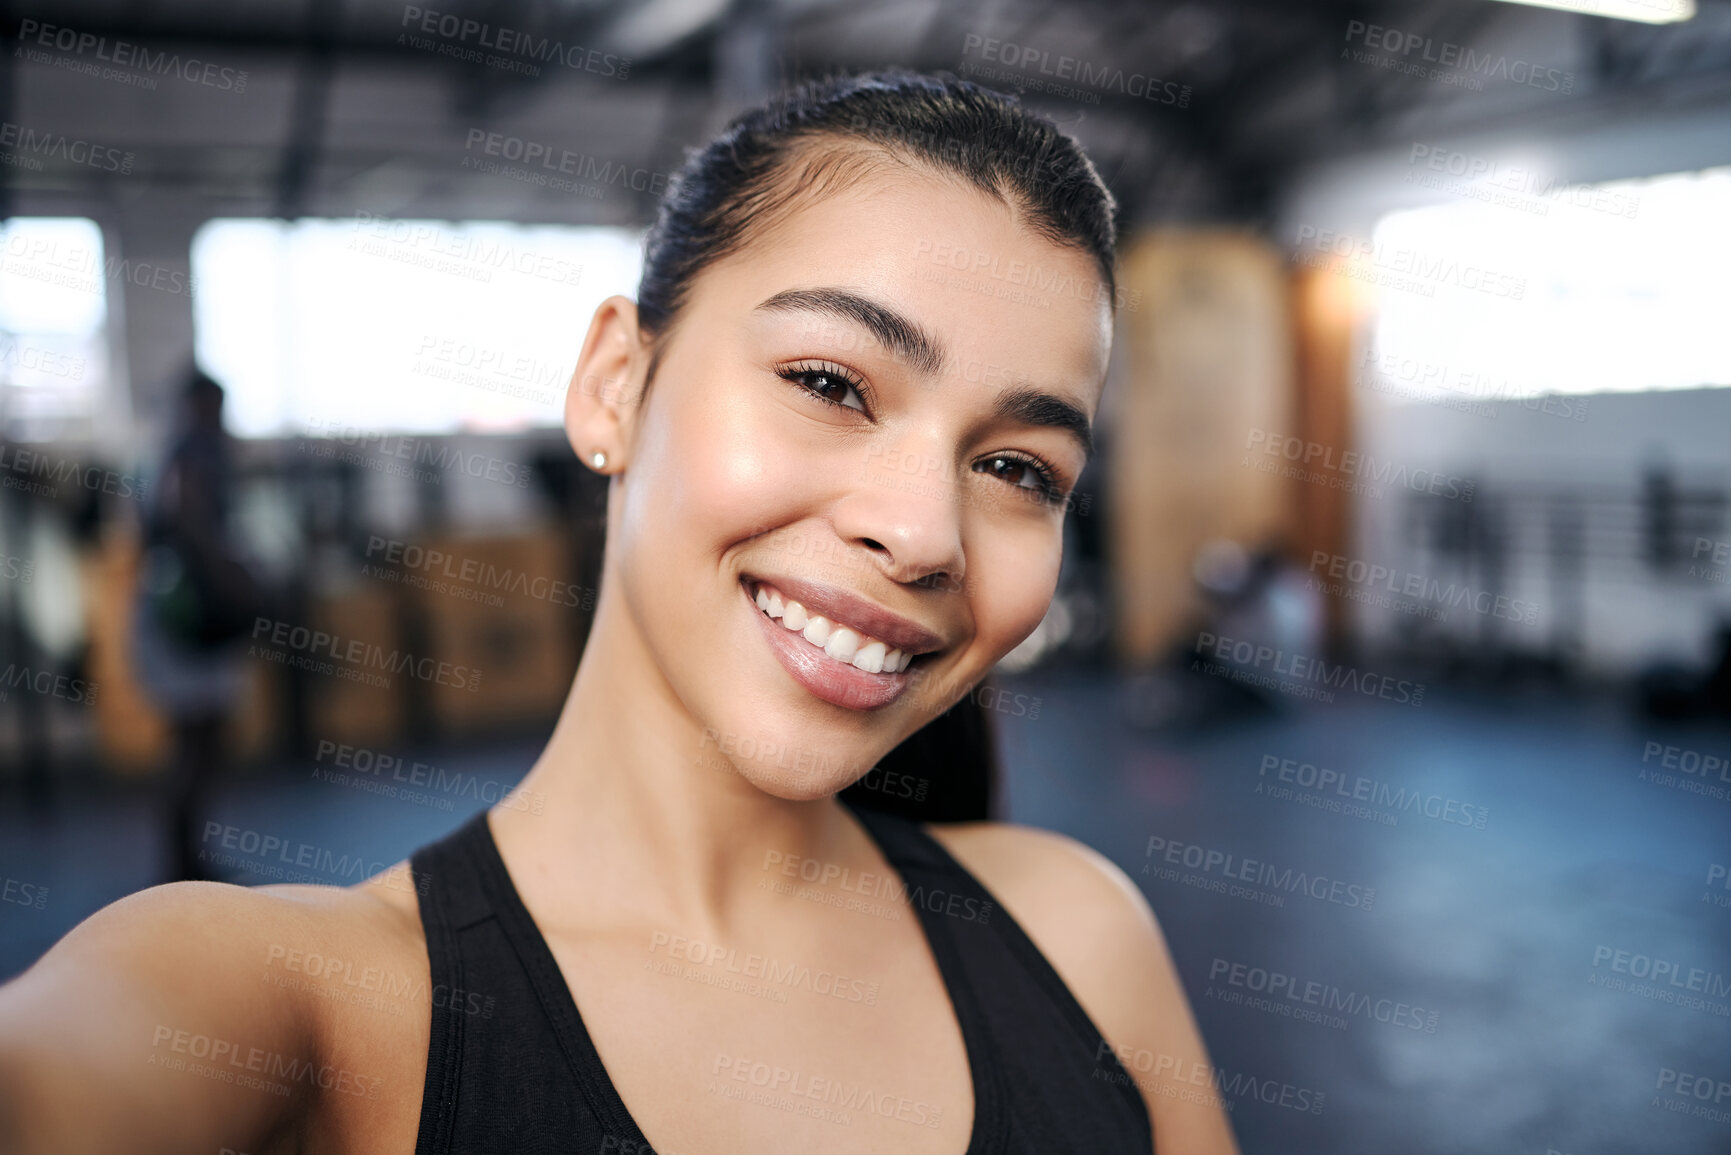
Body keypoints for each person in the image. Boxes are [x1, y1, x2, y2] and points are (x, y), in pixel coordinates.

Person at [0, 71, 1238, 1154]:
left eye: (1019, 469)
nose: (921, 534)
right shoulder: (311, 1008)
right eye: (828, 383)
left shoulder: (1079, 938)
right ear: (614, 389)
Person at [130, 367, 264, 882]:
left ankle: (187, 859)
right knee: (195, 738)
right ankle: (181, 864)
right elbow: (189, 520)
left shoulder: (172, 454)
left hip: (182, 613)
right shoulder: (190, 455)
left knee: (201, 738)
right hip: (183, 619)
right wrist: (236, 581)